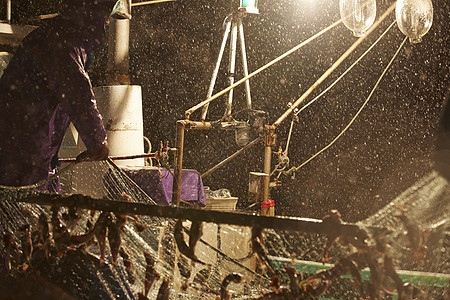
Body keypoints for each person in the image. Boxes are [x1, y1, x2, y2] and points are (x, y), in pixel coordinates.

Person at [0, 0, 128, 192]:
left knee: (42, 207)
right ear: (93, 14)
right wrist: (97, 141)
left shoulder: (56, 35)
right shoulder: (64, 42)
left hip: (30, 150)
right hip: (22, 152)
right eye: (106, 17)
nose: (108, 23)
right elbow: (77, 93)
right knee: (27, 209)